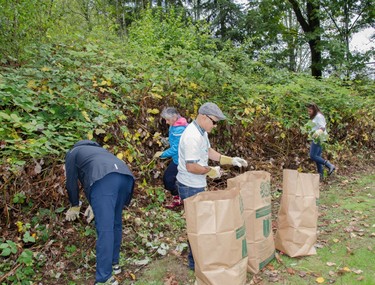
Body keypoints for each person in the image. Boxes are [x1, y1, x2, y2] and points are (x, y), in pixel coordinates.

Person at [176, 102, 248, 270]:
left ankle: (199, 258)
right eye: (214, 122)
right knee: (197, 224)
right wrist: (210, 171)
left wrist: (230, 160)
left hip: (197, 183)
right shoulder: (192, 136)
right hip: (190, 186)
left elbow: (208, 151)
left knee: (200, 223)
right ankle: (195, 263)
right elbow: (191, 166)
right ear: (203, 117)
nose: (215, 126)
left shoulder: (202, 132)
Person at [64, 140, 135, 285]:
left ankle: (104, 277)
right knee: (115, 223)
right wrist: (93, 202)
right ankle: (114, 263)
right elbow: (95, 176)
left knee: (105, 229)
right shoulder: (100, 151)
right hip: (125, 177)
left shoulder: (73, 152)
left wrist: (74, 204)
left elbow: (71, 181)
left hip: (105, 181)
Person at [153, 107, 188, 209]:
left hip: (181, 160)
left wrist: (162, 154)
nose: (167, 122)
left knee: (168, 179)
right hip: (178, 158)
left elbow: (176, 148)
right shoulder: (176, 125)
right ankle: (180, 198)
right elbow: (175, 141)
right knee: (174, 179)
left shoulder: (179, 128)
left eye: (168, 120)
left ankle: (181, 198)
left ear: (175, 117)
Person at [306, 103, 336, 180]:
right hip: (317, 138)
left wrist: (316, 134)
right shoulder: (316, 116)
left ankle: (329, 165)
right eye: (308, 111)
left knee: (313, 156)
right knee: (317, 157)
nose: (309, 113)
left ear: (314, 110)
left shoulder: (319, 116)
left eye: (310, 111)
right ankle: (321, 176)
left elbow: (322, 128)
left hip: (318, 138)